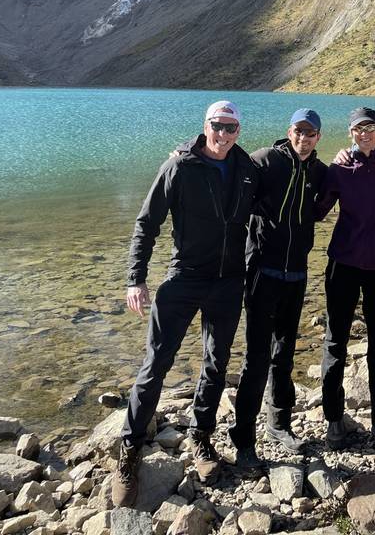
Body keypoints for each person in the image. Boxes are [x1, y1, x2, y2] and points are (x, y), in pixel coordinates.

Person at [112, 100, 258, 507]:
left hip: (228, 282)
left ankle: (201, 437)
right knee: (156, 364)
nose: (224, 134)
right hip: (185, 278)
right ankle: (129, 451)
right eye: (218, 126)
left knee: (217, 362)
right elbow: (147, 222)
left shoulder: (247, 169)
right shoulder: (178, 166)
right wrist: (135, 278)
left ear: (239, 132)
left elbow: (279, 194)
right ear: (205, 126)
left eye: (231, 128)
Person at [228, 109, 328, 474]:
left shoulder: (318, 171)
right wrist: (186, 153)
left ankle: (278, 423)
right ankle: (244, 438)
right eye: (299, 131)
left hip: (296, 274)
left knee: (284, 352)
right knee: (255, 358)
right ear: (290, 132)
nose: (304, 137)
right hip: (262, 271)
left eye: (311, 133)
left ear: (318, 137)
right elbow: (228, 163)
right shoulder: (266, 159)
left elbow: (339, 187)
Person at [317, 107, 375, 455]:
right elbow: (316, 209)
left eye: (369, 128)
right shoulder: (339, 168)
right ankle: (334, 419)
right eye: (357, 129)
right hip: (344, 263)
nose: (364, 134)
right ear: (350, 133)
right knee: (335, 342)